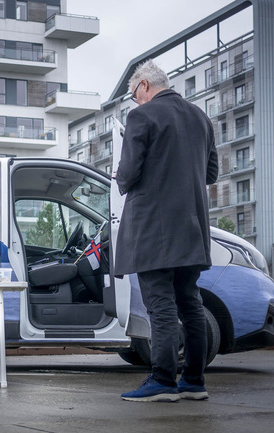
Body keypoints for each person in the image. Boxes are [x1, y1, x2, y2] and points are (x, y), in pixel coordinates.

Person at [114, 60, 218, 402]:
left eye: (133, 95)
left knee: (160, 305)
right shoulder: (201, 117)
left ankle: (162, 381)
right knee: (190, 303)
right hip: (192, 227)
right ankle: (193, 381)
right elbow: (211, 173)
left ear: (144, 85)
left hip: (152, 230)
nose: (135, 102)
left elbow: (127, 175)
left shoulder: (141, 117)